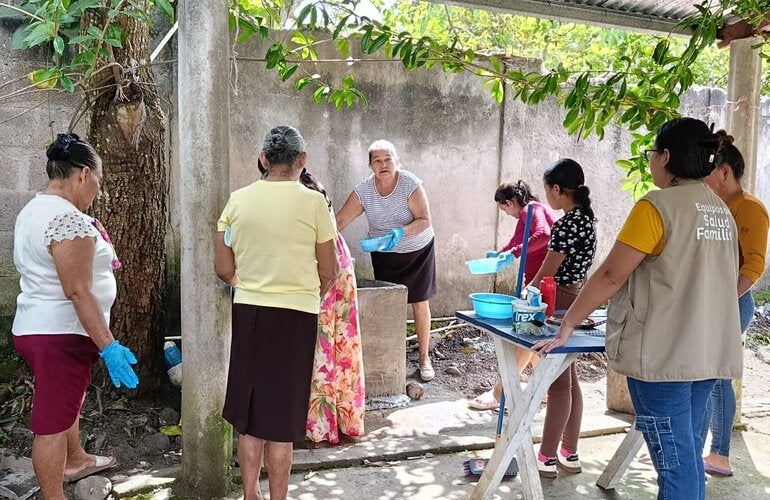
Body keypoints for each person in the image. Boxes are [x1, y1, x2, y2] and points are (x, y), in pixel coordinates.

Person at [534, 117, 743, 500]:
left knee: (675, 466)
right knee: (687, 460)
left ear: (665, 156)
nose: (650, 161)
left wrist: (568, 324)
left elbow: (612, 275)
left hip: (664, 360)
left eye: (651, 153)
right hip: (708, 355)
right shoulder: (720, 210)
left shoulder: (656, 206)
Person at [12, 133, 138, 499]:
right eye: (98, 181)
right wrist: (109, 346)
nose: (97, 190)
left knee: (65, 401)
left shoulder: (34, 209)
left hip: (37, 327)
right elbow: (78, 291)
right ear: (84, 174)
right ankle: (55, 494)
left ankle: (76, 459)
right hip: (60, 334)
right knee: (50, 424)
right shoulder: (69, 221)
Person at [216, 126, 339, 500]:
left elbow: (223, 268)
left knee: (250, 417)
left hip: (250, 311)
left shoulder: (237, 201)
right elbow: (330, 270)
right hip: (297, 316)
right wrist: (305, 294)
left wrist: (251, 284)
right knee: (282, 417)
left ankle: (250, 493)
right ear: (302, 160)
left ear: (263, 159)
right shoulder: (315, 203)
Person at [336, 140, 437, 381]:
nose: (383, 164)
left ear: (396, 161)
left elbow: (424, 220)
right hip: (383, 253)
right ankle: (388, 358)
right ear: (371, 166)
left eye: (388, 159)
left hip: (417, 250)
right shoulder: (364, 191)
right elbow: (338, 222)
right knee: (388, 304)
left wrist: (401, 232)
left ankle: (424, 358)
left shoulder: (410, 184)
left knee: (419, 302)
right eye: (377, 160)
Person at [701, 131, 769, 477]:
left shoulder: (750, 208)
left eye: (708, 172)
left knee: (715, 378)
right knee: (706, 377)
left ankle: (721, 454)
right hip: (713, 303)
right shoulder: (717, 205)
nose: (702, 179)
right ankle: (709, 452)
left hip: (732, 304)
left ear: (724, 171)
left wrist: (724, 303)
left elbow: (754, 265)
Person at [524, 159, 596, 478]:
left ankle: (547, 457)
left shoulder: (567, 224)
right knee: (570, 378)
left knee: (558, 384)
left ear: (556, 189)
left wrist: (525, 293)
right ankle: (570, 451)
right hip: (577, 297)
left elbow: (547, 272)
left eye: (547, 190)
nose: (546, 198)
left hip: (560, 299)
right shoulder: (587, 220)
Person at [469, 180, 558, 411]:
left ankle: (500, 392)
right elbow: (517, 242)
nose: (506, 213)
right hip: (540, 282)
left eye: (504, 209)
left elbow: (544, 236)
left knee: (525, 335)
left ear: (510, 202)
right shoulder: (530, 213)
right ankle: (546, 388)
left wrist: (514, 253)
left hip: (541, 283)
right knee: (537, 336)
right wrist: (499, 255)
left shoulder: (532, 210)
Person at [300, 169, 365, 444]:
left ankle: (320, 425)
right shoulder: (313, 186)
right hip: (338, 264)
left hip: (325, 270)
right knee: (342, 347)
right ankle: (343, 420)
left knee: (322, 348)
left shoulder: (302, 192)